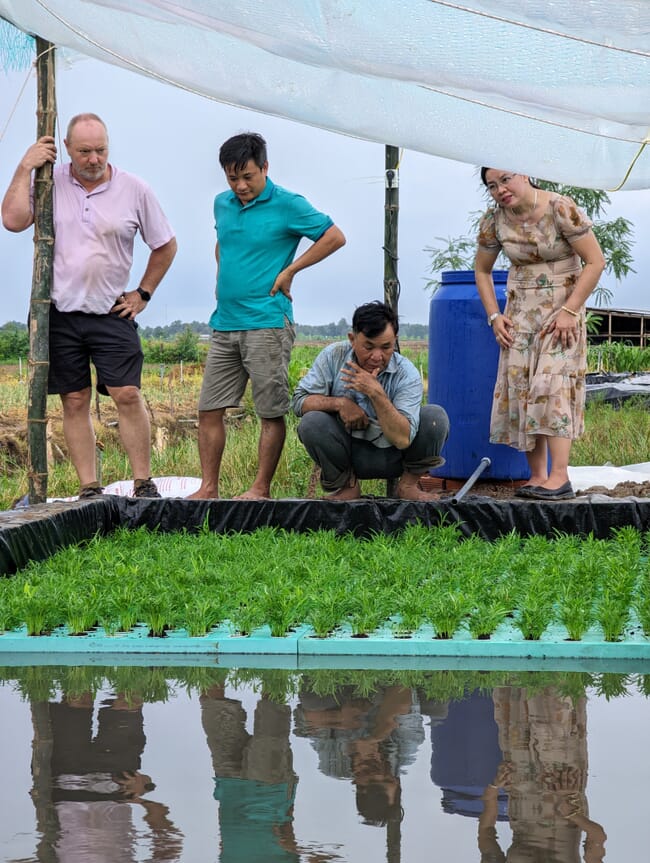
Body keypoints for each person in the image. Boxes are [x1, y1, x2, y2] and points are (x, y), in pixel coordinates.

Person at [1, 113, 177, 499]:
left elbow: (165, 244)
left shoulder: (135, 189)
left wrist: (143, 294)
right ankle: (89, 488)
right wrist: (24, 166)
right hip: (58, 313)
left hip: (111, 310)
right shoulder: (49, 181)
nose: (94, 159)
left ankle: (143, 483)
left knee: (127, 393)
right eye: (85, 151)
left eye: (100, 150)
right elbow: (13, 220)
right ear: (67, 149)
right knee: (74, 398)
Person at [188, 132, 345, 501]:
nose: (240, 186)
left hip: (268, 322)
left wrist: (291, 270)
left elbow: (334, 236)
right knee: (209, 409)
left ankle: (260, 488)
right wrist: (223, 278)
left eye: (248, 177)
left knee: (269, 411)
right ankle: (208, 488)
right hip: (224, 323)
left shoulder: (289, 204)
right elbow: (223, 243)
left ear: (265, 168)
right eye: (232, 178)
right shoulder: (221, 205)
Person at [474, 169, 605, 501]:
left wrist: (570, 311)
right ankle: (538, 476)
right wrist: (494, 316)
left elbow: (595, 262)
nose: (500, 189)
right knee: (525, 388)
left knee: (552, 385)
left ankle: (560, 477)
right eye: (492, 186)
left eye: (505, 180)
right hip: (519, 314)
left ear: (525, 174)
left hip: (562, 312)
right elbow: (482, 269)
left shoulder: (560, 208)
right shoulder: (494, 220)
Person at [291, 300, 450, 500]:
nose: (377, 356)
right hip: (348, 453)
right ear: (352, 339)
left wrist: (376, 394)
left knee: (435, 417)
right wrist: (340, 403)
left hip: (395, 455)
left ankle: (407, 486)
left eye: (386, 347)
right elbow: (298, 401)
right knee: (311, 422)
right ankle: (347, 487)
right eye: (368, 346)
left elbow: (402, 439)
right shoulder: (333, 356)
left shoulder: (406, 373)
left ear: (395, 341)